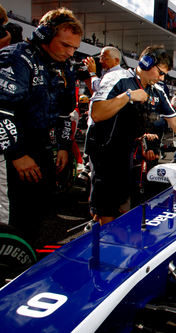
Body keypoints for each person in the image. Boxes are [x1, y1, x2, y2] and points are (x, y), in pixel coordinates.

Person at [0, 8, 83, 244]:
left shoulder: (64, 66)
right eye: (65, 45)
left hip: (42, 149)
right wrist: (17, 154)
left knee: (36, 217)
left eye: (74, 48)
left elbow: (65, 111)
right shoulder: (16, 58)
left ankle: (27, 267)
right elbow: (2, 109)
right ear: (45, 35)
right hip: (11, 152)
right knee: (10, 220)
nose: (70, 53)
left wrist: (65, 146)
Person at [86, 45, 176, 225]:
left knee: (124, 199)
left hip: (127, 150)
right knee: (107, 206)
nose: (162, 78)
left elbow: (175, 122)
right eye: (161, 72)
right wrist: (128, 96)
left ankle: (107, 226)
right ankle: (102, 237)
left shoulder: (157, 90)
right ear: (147, 63)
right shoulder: (117, 77)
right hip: (104, 149)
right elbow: (97, 113)